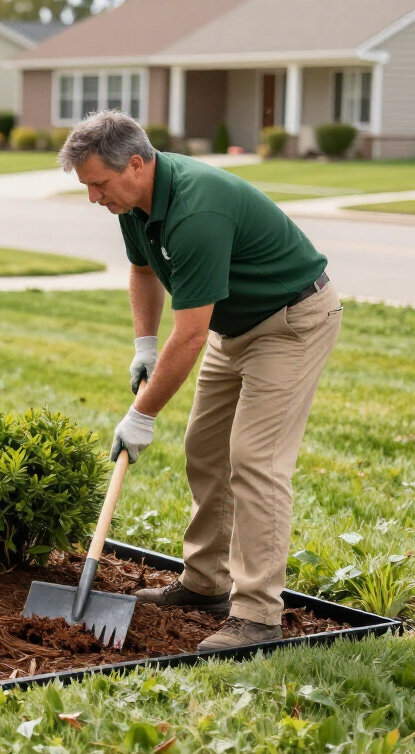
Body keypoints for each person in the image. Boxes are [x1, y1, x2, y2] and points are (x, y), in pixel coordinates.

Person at [61, 110, 341, 650]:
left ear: (137, 164)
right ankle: (206, 584)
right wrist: (144, 344)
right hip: (232, 327)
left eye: (98, 184)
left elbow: (189, 335)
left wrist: (141, 416)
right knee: (205, 449)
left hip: (289, 323)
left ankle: (257, 615)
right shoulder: (134, 202)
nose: (94, 198)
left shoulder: (196, 209)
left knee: (255, 459)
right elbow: (143, 270)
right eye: (88, 187)